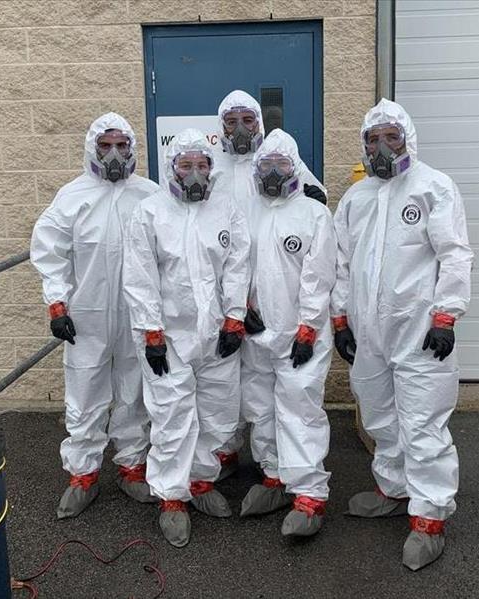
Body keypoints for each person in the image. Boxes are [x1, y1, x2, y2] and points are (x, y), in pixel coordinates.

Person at [331, 99, 474, 570]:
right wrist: (340, 319)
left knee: (423, 425)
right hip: (370, 336)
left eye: (391, 136)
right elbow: (341, 263)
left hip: (419, 334)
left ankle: (430, 516)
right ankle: (393, 489)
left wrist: (445, 315)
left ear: (407, 137)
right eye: (373, 139)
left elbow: (454, 254)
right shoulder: (358, 197)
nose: (381, 146)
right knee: (379, 418)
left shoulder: (433, 188)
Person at [122, 128, 251, 548]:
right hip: (168, 338)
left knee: (217, 413)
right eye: (186, 165)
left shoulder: (226, 210)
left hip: (215, 335)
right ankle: (172, 497)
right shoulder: (151, 212)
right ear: (171, 167)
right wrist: (151, 332)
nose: (195, 173)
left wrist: (234, 318)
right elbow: (140, 276)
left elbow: (237, 264)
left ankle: (200, 481)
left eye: (202, 165)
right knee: (172, 417)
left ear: (211, 168)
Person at [31, 112, 159, 519]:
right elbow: (49, 254)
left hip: (136, 313)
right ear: (92, 148)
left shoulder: (150, 195)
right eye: (106, 146)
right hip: (85, 315)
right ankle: (83, 473)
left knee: (133, 389)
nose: (115, 154)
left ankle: (131, 465)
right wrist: (57, 304)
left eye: (122, 145)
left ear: (133, 148)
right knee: (85, 391)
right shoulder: (72, 197)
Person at [213, 89, 328, 478]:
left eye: (249, 120)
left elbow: (313, 210)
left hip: (273, 298)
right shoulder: (210, 167)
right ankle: (223, 452)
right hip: (225, 295)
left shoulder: (272, 159)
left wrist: (315, 196)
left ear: (260, 123)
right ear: (222, 126)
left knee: (266, 385)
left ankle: (280, 469)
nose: (242, 129)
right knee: (229, 382)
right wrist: (236, 305)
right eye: (233, 122)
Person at [237, 128, 336, 537]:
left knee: (300, 412)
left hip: (300, 335)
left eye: (281, 165)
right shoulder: (247, 211)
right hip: (257, 333)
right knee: (261, 409)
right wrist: (242, 307)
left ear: (296, 168)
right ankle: (274, 475)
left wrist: (309, 327)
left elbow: (319, 276)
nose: (273, 173)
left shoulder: (314, 214)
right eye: (266, 166)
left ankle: (309, 495)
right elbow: (235, 265)